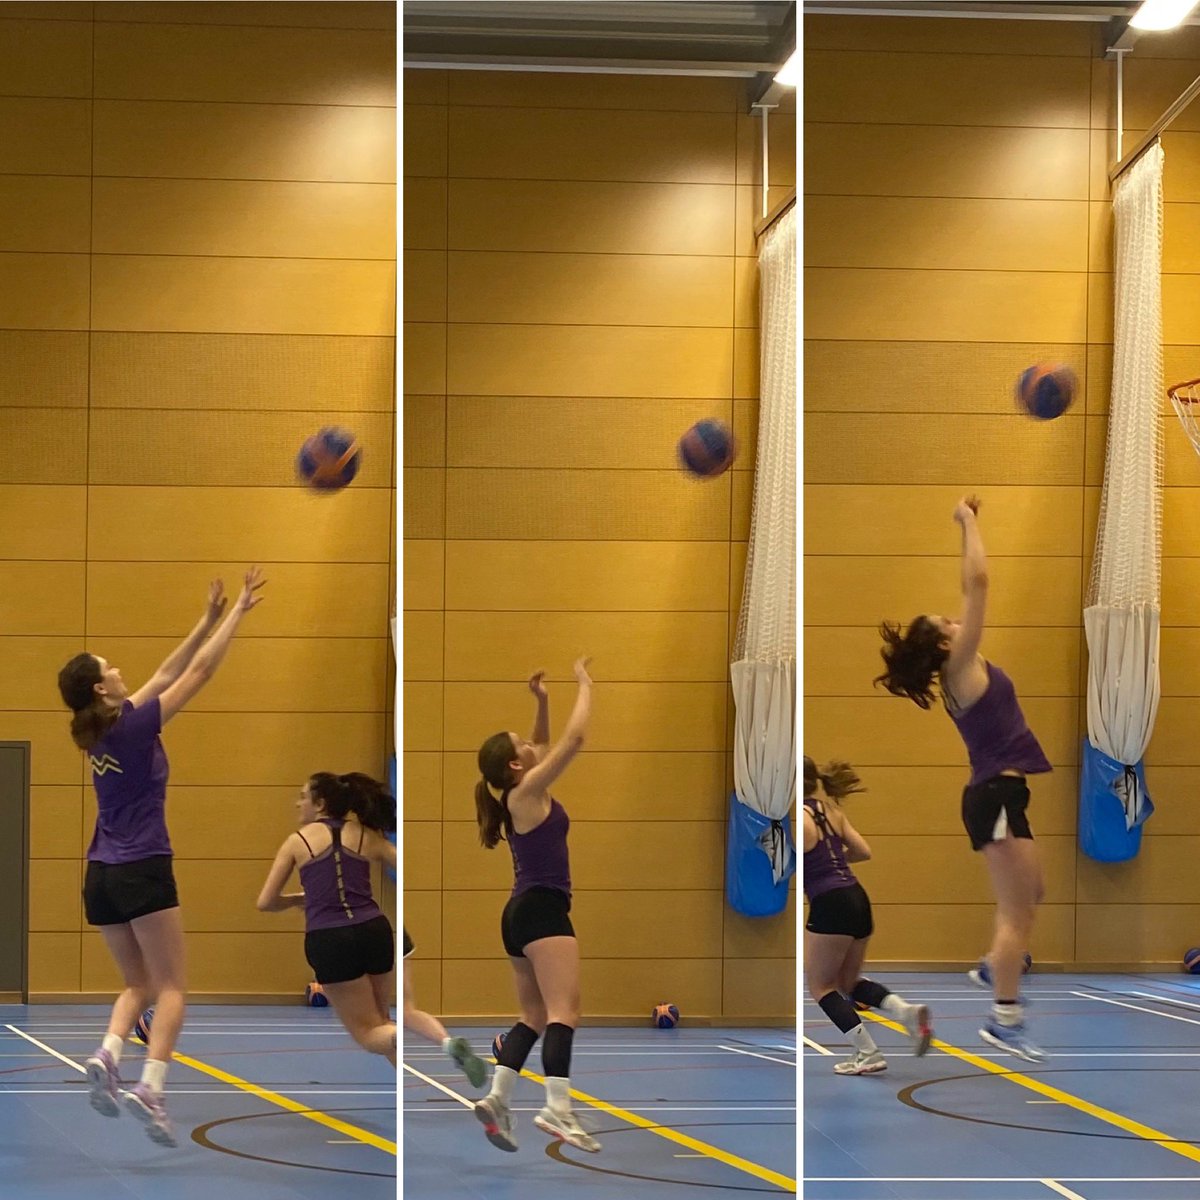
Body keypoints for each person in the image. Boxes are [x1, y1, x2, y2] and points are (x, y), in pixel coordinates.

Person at [57, 568, 266, 1147]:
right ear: (100, 689)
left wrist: (205, 618)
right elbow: (196, 674)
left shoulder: (99, 730)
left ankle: (108, 1053)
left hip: (101, 874)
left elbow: (166, 673)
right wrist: (237, 615)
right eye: (109, 668)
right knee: (173, 987)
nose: (119, 670)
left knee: (137, 984)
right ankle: (150, 1086)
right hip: (142, 865)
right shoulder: (130, 727)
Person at [875, 495, 1049, 1062]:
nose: (957, 618)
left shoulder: (959, 666)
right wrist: (967, 520)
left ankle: (995, 964)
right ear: (945, 643)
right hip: (993, 794)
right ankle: (1004, 1019)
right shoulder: (960, 664)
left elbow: (968, 589)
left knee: (1034, 893)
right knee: (1016, 914)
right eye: (947, 622)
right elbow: (978, 581)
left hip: (1003, 793)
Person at [471, 661, 599, 1154]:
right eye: (520, 743)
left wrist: (542, 700)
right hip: (543, 911)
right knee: (566, 1011)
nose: (529, 742)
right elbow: (573, 740)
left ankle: (498, 1097)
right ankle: (557, 1108)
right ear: (514, 765)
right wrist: (584, 684)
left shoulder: (519, 789)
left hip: (517, 915)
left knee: (534, 1015)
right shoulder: (526, 792)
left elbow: (542, 743)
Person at [257, 772, 401, 1065]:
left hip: (330, 938)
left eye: (303, 797)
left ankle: (411, 1033)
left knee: (369, 1034)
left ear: (320, 803)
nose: (298, 804)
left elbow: (266, 902)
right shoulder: (365, 835)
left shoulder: (297, 842)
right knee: (381, 1022)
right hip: (374, 931)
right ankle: (409, 1041)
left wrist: (297, 899)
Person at [804, 757, 932, 1074]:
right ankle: (905, 1011)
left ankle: (867, 1052)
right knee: (848, 982)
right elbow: (863, 851)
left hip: (830, 902)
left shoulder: (798, 820)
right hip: (857, 897)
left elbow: (786, 864)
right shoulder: (832, 812)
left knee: (821, 986)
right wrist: (832, 863)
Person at [401, 926, 488, 1087]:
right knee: (406, 1011)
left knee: (372, 1025)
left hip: (366, 930)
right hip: (397, 934)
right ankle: (448, 1042)